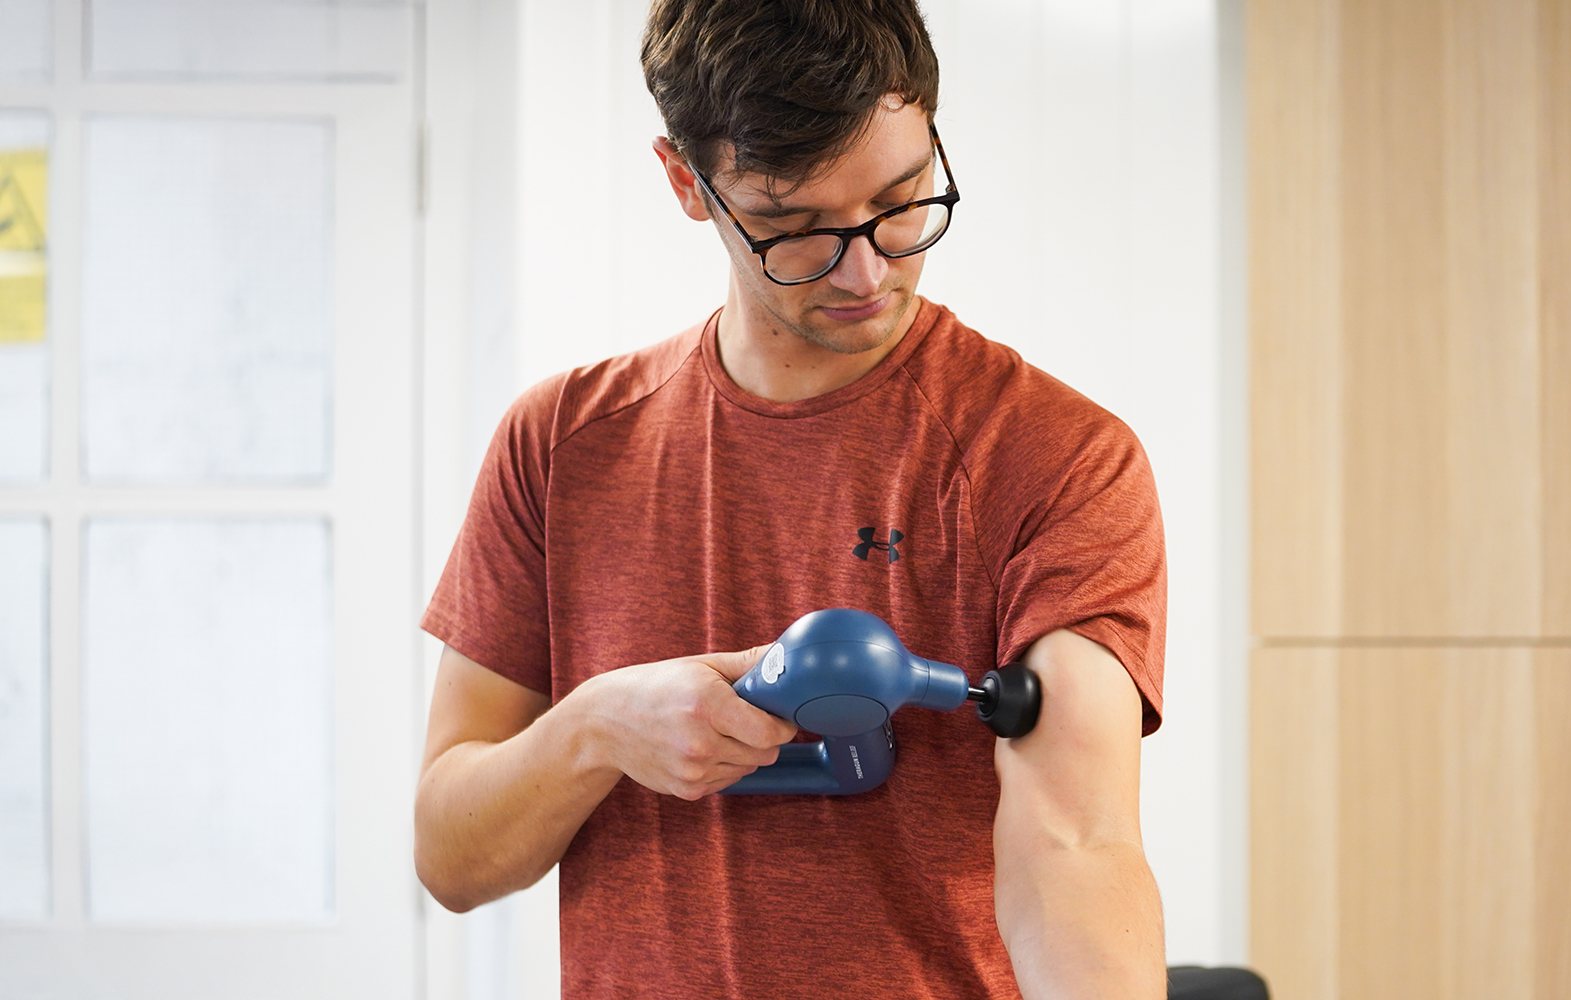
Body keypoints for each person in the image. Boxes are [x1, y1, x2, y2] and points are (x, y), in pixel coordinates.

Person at [413, 1, 1168, 997]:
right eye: (794, 227)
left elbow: (1075, 843)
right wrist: (597, 726)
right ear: (687, 183)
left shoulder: (1055, 458)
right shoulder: (559, 446)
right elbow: (452, 856)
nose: (867, 269)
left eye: (903, 201)